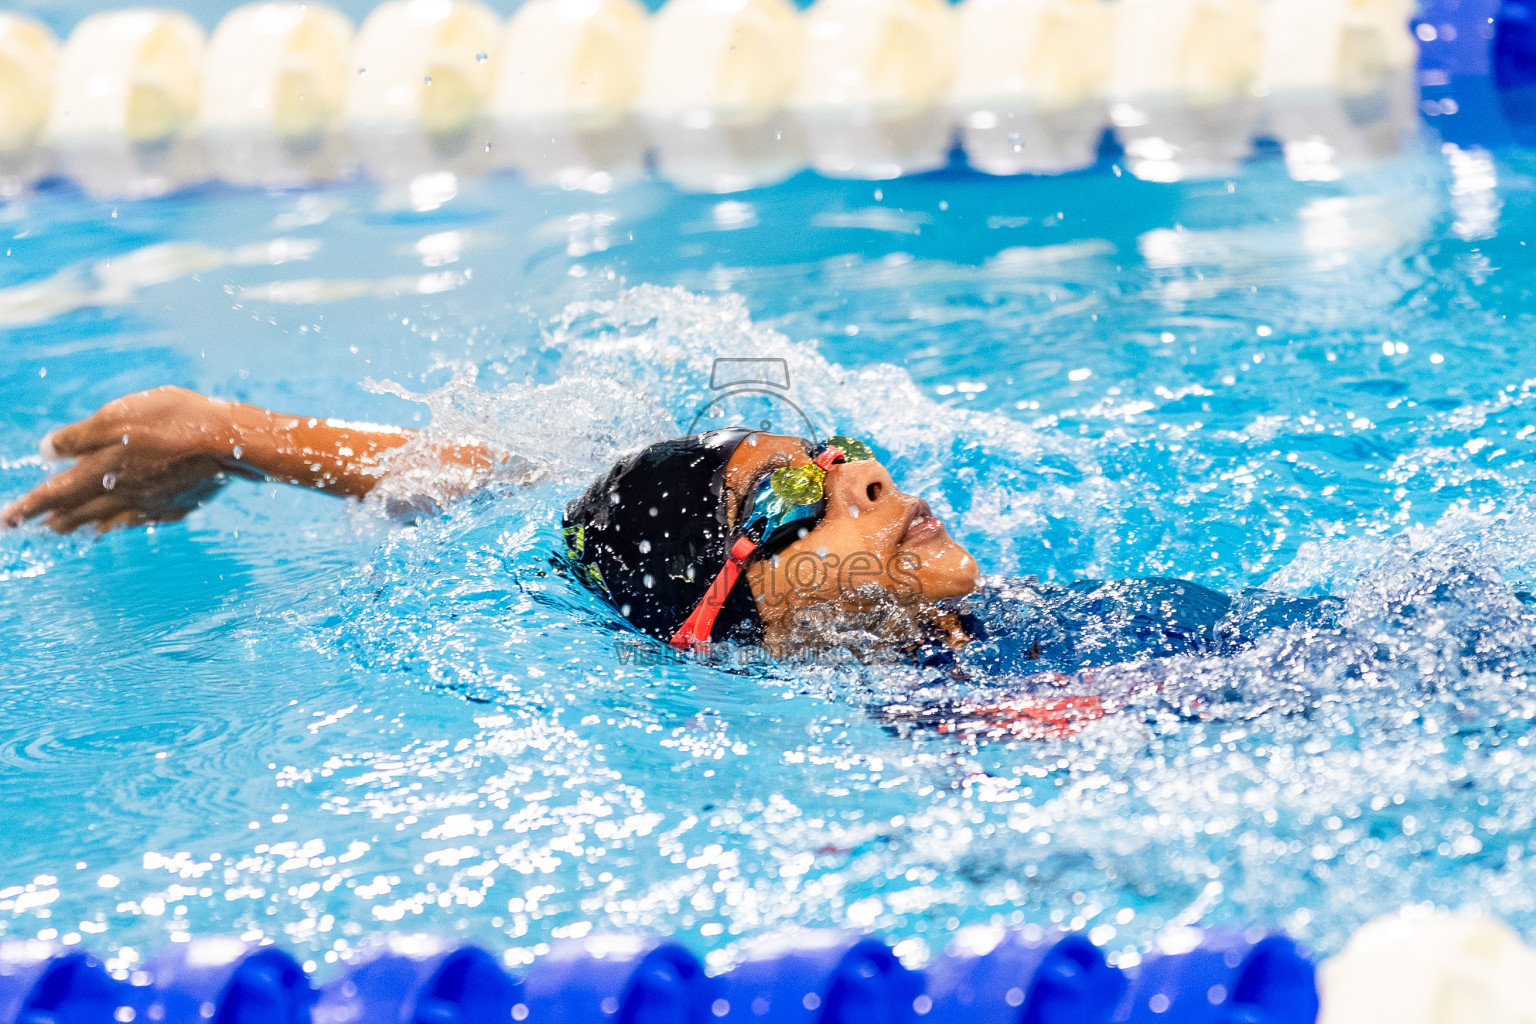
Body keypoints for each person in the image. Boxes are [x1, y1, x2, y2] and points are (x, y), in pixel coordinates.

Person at [1, 386, 1336, 736]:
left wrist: (235, 436)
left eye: (842, 453)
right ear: (722, 609)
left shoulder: (996, 627)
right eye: (799, 493)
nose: (872, 476)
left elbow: (530, 481)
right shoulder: (969, 725)